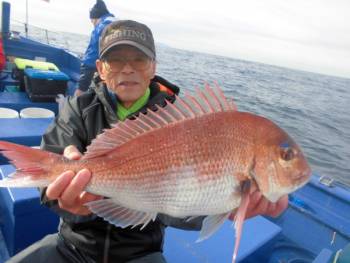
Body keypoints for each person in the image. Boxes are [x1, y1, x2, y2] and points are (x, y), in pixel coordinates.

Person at [7, 20, 288, 263]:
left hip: (140, 254)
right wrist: (62, 199)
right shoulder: (78, 109)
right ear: (100, 69)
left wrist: (223, 208)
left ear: (152, 67)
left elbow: (182, 203)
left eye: (138, 59)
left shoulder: (180, 120)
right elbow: (48, 187)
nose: (127, 69)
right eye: (115, 60)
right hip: (73, 245)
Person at [74, 0, 116, 97]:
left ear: (96, 18)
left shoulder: (101, 26)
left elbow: (92, 55)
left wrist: (85, 72)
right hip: (118, 68)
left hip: (106, 67)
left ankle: (76, 108)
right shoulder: (117, 22)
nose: (93, 24)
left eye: (92, 21)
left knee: (81, 89)